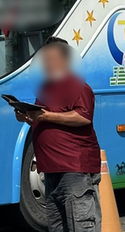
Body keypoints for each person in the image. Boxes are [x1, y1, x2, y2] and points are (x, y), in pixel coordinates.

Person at [14, 38, 101, 232]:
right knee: (57, 227)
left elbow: (83, 116)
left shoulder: (78, 86)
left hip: (74, 171)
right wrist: (28, 118)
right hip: (51, 173)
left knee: (81, 225)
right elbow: (47, 120)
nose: (45, 63)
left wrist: (46, 115)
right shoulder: (46, 89)